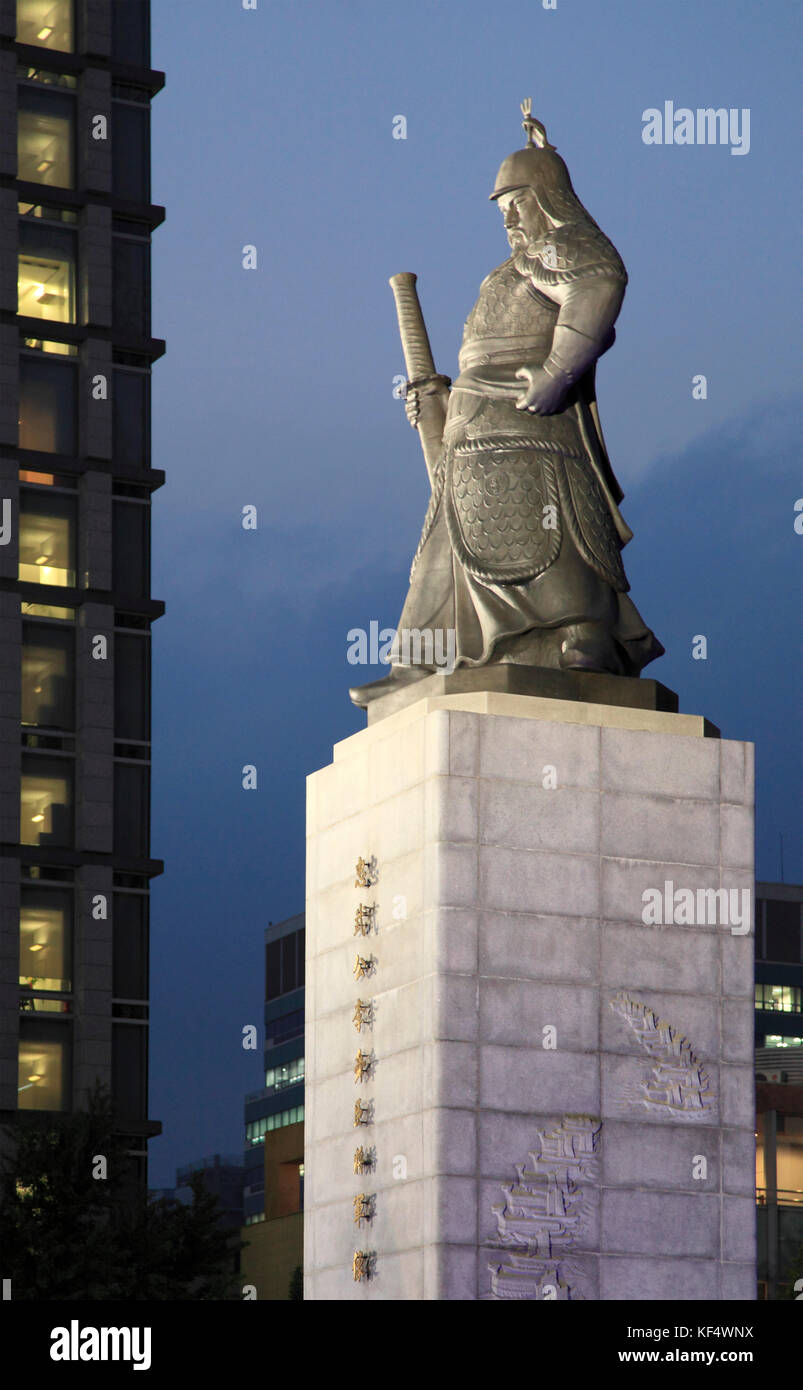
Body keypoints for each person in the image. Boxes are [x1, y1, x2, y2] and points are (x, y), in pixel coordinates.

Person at [351, 109, 663, 708]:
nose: (508, 216)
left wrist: (556, 371)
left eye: (516, 202)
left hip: (530, 425)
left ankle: (582, 634)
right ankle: (420, 661)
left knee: (546, 530)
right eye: (501, 207)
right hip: (472, 432)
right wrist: (439, 400)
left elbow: (599, 285)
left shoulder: (563, 246)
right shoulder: (511, 267)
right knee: (446, 547)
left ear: (545, 197)